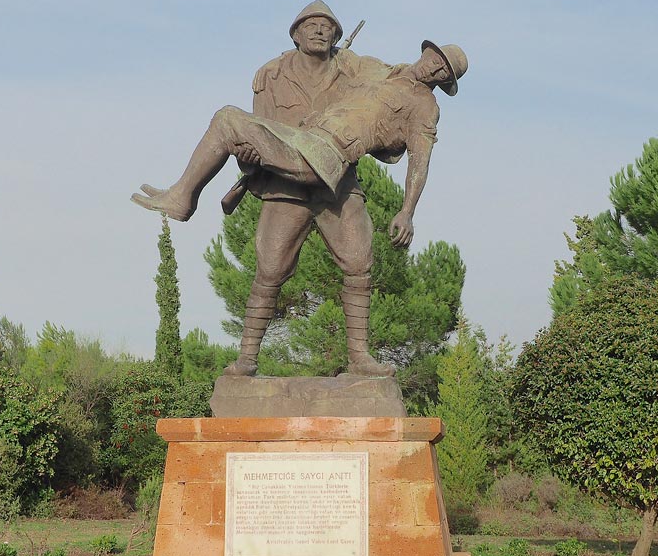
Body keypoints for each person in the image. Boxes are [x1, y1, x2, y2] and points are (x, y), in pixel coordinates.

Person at [132, 38, 467, 377]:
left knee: (358, 262)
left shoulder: (424, 107)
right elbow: (321, 56)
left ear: (444, 82)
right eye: (435, 59)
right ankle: (246, 360)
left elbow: (420, 162)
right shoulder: (374, 67)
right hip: (304, 144)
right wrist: (283, 63)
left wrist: (407, 211)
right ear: (426, 52)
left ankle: (360, 359)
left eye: (443, 71)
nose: (434, 68)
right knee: (270, 270)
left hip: (330, 159)